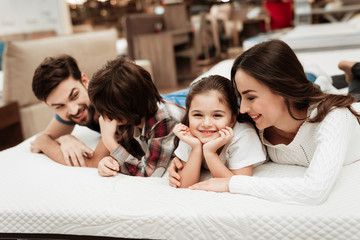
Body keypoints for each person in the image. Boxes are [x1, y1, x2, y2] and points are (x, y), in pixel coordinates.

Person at [168, 39, 360, 205]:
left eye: (250, 98)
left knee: (354, 95)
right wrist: (181, 161)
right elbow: (208, 122)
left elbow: (314, 191)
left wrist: (232, 183)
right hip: (305, 100)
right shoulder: (254, 122)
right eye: (240, 98)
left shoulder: (334, 118)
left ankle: (353, 71)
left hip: (353, 110)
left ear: (282, 88)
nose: (242, 109)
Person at [88, 57, 185, 177]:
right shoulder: (128, 119)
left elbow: (148, 173)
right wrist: (108, 161)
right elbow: (128, 155)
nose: (104, 116)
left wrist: (108, 140)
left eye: (108, 111)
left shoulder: (164, 120)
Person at [172, 75, 266, 188]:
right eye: (198, 115)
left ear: (232, 119)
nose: (206, 124)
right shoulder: (190, 133)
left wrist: (210, 152)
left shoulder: (244, 135)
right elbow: (184, 184)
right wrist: (196, 148)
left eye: (217, 115)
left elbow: (237, 185)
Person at [31, 54, 108, 167]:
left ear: (85, 81)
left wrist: (42, 141)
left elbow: (95, 163)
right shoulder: (73, 110)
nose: (73, 110)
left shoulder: (111, 99)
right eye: (59, 106)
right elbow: (44, 138)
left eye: (74, 96)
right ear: (48, 105)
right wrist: (65, 138)